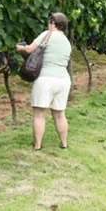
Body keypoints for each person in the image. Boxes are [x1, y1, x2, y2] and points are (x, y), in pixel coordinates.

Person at [17, 12, 72, 150]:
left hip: (46, 79)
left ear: (53, 23)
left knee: (39, 114)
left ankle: (37, 145)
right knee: (60, 114)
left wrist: (19, 47)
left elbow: (29, 49)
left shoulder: (47, 34)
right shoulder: (67, 42)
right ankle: (64, 144)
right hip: (63, 80)